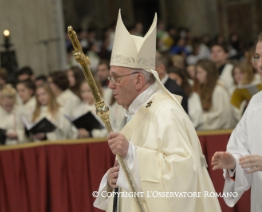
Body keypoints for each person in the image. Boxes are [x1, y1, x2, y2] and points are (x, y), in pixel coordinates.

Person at [93, 11, 221, 212]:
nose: (110, 86)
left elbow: (184, 173)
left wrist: (132, 153)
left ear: (138, 80)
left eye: (116, 78)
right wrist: (112, 180)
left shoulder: (165, 112)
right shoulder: (135, 112)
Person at [211, 32, 262, 212]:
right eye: (257, 57)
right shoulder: (256, 103)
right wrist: (233, 164)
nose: (260, 64)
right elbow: (242, 150)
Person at [193, 59, 234, 130]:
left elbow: (222, 116)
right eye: (197, 73)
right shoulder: (205, 88)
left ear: (209, 73)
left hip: (221, 133)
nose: (197, 76)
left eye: (200, 72)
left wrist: (200, 117)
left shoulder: (219, 90)